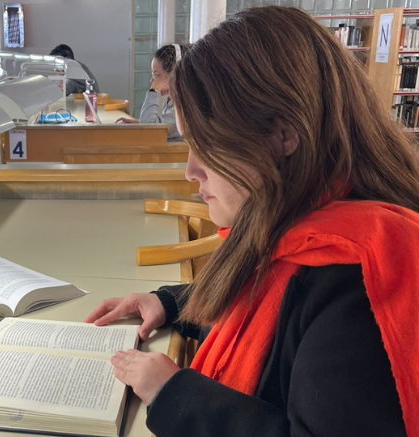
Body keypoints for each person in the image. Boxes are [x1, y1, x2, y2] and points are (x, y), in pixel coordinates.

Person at [85, 6, 419, 437]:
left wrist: (175, 394)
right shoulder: (301, 227)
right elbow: (266, 303)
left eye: (207, 146)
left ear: (283, 135)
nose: (191, 171)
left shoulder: (360, 286)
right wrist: (170, 303)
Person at [116, 43, 189, 142]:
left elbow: (149, 131)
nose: (152, 81)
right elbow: (162, 126)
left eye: (157, 75)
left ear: (174, 74)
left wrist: (153, 91)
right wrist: (139, 123)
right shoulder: (174, 101)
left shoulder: (186, 107)